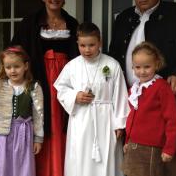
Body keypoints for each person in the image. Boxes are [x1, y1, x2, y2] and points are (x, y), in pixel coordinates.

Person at [109, 0, 176, 176]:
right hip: (131, 98)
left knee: (170, 152)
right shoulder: (124, 17)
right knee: (136, 157)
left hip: (166, 94)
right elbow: (114, 54)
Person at [11, 0, 79, 176]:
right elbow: (14, 51)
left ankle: (60, 169)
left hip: (65, 81)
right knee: (40, 121)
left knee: (61, 124)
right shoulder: (29, 22)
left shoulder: (73, 23)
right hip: (39, 78)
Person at [54, 22, 129, 176]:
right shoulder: (72, 66)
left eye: (91, 45)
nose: (87, 50)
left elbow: (120, 94)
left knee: (106, 159)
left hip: (106, 121)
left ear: (100, 42)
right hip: (81, 120)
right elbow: (61, 89)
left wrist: (120, 124)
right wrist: (75, 96)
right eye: (82, 45)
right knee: (81, 159)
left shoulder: (112, 65)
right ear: (77, 44)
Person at [0, 46, 44, 176]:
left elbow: (39, 115)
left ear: (25, 66)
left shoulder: (34, 87)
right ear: (3, 67)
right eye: (8, 67)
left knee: (21, 168)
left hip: (23, 136)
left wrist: (38, 139)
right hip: (1, 136)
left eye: (17, 66)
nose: (12, 71)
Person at [121, 41, 176, 176]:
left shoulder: (161, 87)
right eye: (137, 67)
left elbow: (172, 120)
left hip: (151, 148)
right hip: (133, 146)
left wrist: (169, 148)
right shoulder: (134, 89)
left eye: (147, 66)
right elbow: (131, 118)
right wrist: (127, 141)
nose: (142, 71)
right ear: (133, 67)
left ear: (156, 64)